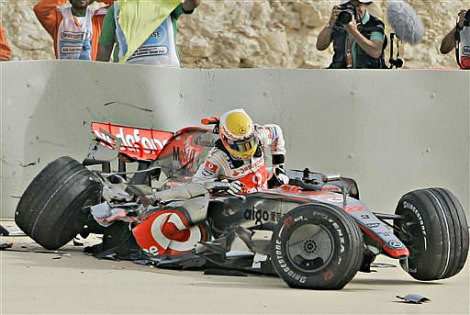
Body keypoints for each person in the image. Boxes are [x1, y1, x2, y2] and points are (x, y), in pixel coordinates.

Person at [97, 0, 200, 65]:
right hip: (128, 74)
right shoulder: (116, 8)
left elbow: (193, 3)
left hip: (164, 72)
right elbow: (105, 47)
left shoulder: (166, 3)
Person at [316, 0, 386, 69]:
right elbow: (320, 46)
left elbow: (376, 52)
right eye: (349, 6)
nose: (353, 11)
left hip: (366, 74)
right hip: (340, 73)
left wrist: (353, 32)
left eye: (358, 5)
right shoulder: (338, 23)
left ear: (366, 4)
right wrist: (331, 23)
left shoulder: (375, 24)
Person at [33, 0, 113, 60]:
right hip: (64, 75)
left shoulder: (98, 17)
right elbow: (40, 8)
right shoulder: (58, 18)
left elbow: (118, 5)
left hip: (91, 76)